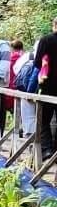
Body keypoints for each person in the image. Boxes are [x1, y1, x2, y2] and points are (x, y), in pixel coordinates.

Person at [34, 16, 57, 159]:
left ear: (54, 25)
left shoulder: (46, 40)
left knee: (43, 118)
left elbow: (37, 62)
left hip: (48, 84)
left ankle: (46, 149)